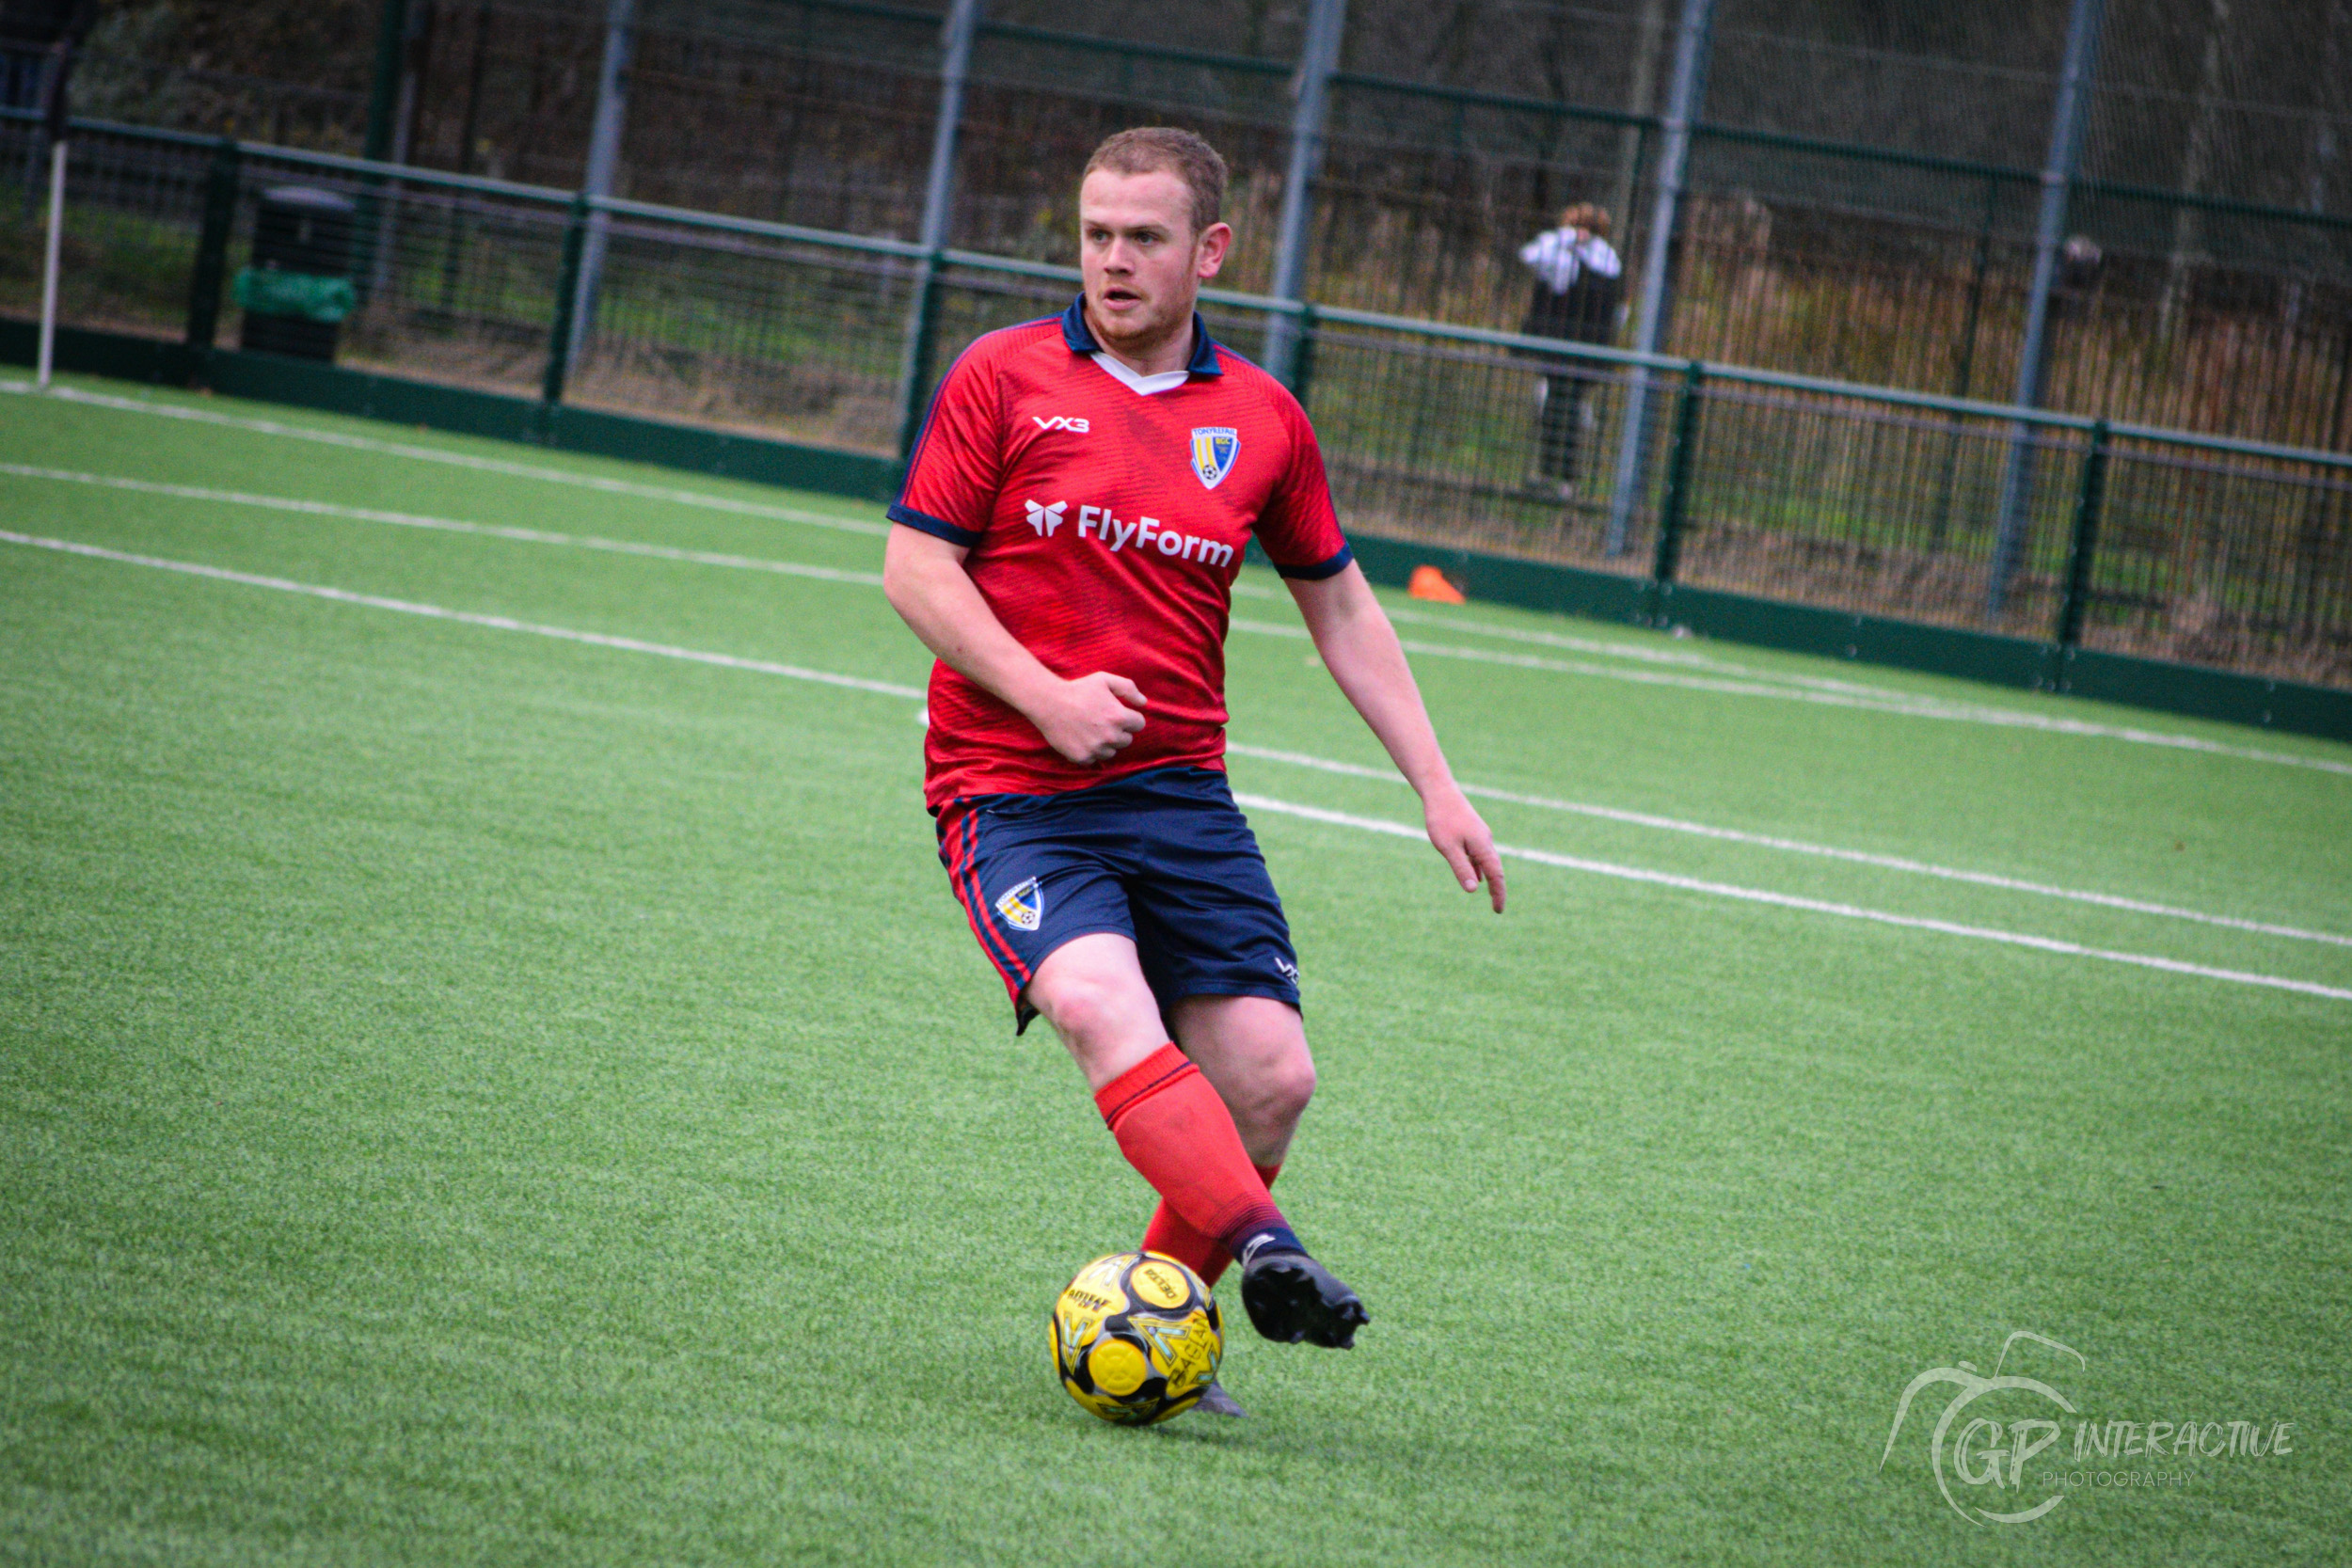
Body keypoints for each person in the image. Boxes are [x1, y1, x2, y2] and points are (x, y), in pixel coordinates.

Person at [882, 127, 1506, 1418]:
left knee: (1274, 1078)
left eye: (1144, 237)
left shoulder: (1263, 420)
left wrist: (1437, 784)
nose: (1112, 259)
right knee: (1103, 1005)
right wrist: (1048, 698)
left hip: (1178, 799)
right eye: (1096, 233)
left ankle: (1162, 1310)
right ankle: (1269, 1246)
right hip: (1014, 788)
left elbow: (1342, 609)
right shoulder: (1002, 378)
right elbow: (916, 571)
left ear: (1209, 250)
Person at [1517, 203, 1624, 495]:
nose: (1581, 234)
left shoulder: (1605, 265)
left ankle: (1563, 477)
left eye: (1588, 228)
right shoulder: (1556, 256)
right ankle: (1552, 474)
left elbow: (1611, 314)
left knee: (1565, 409)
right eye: (1577, 226)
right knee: (1552, 407)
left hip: (1583, 353)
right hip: (1556, 348)